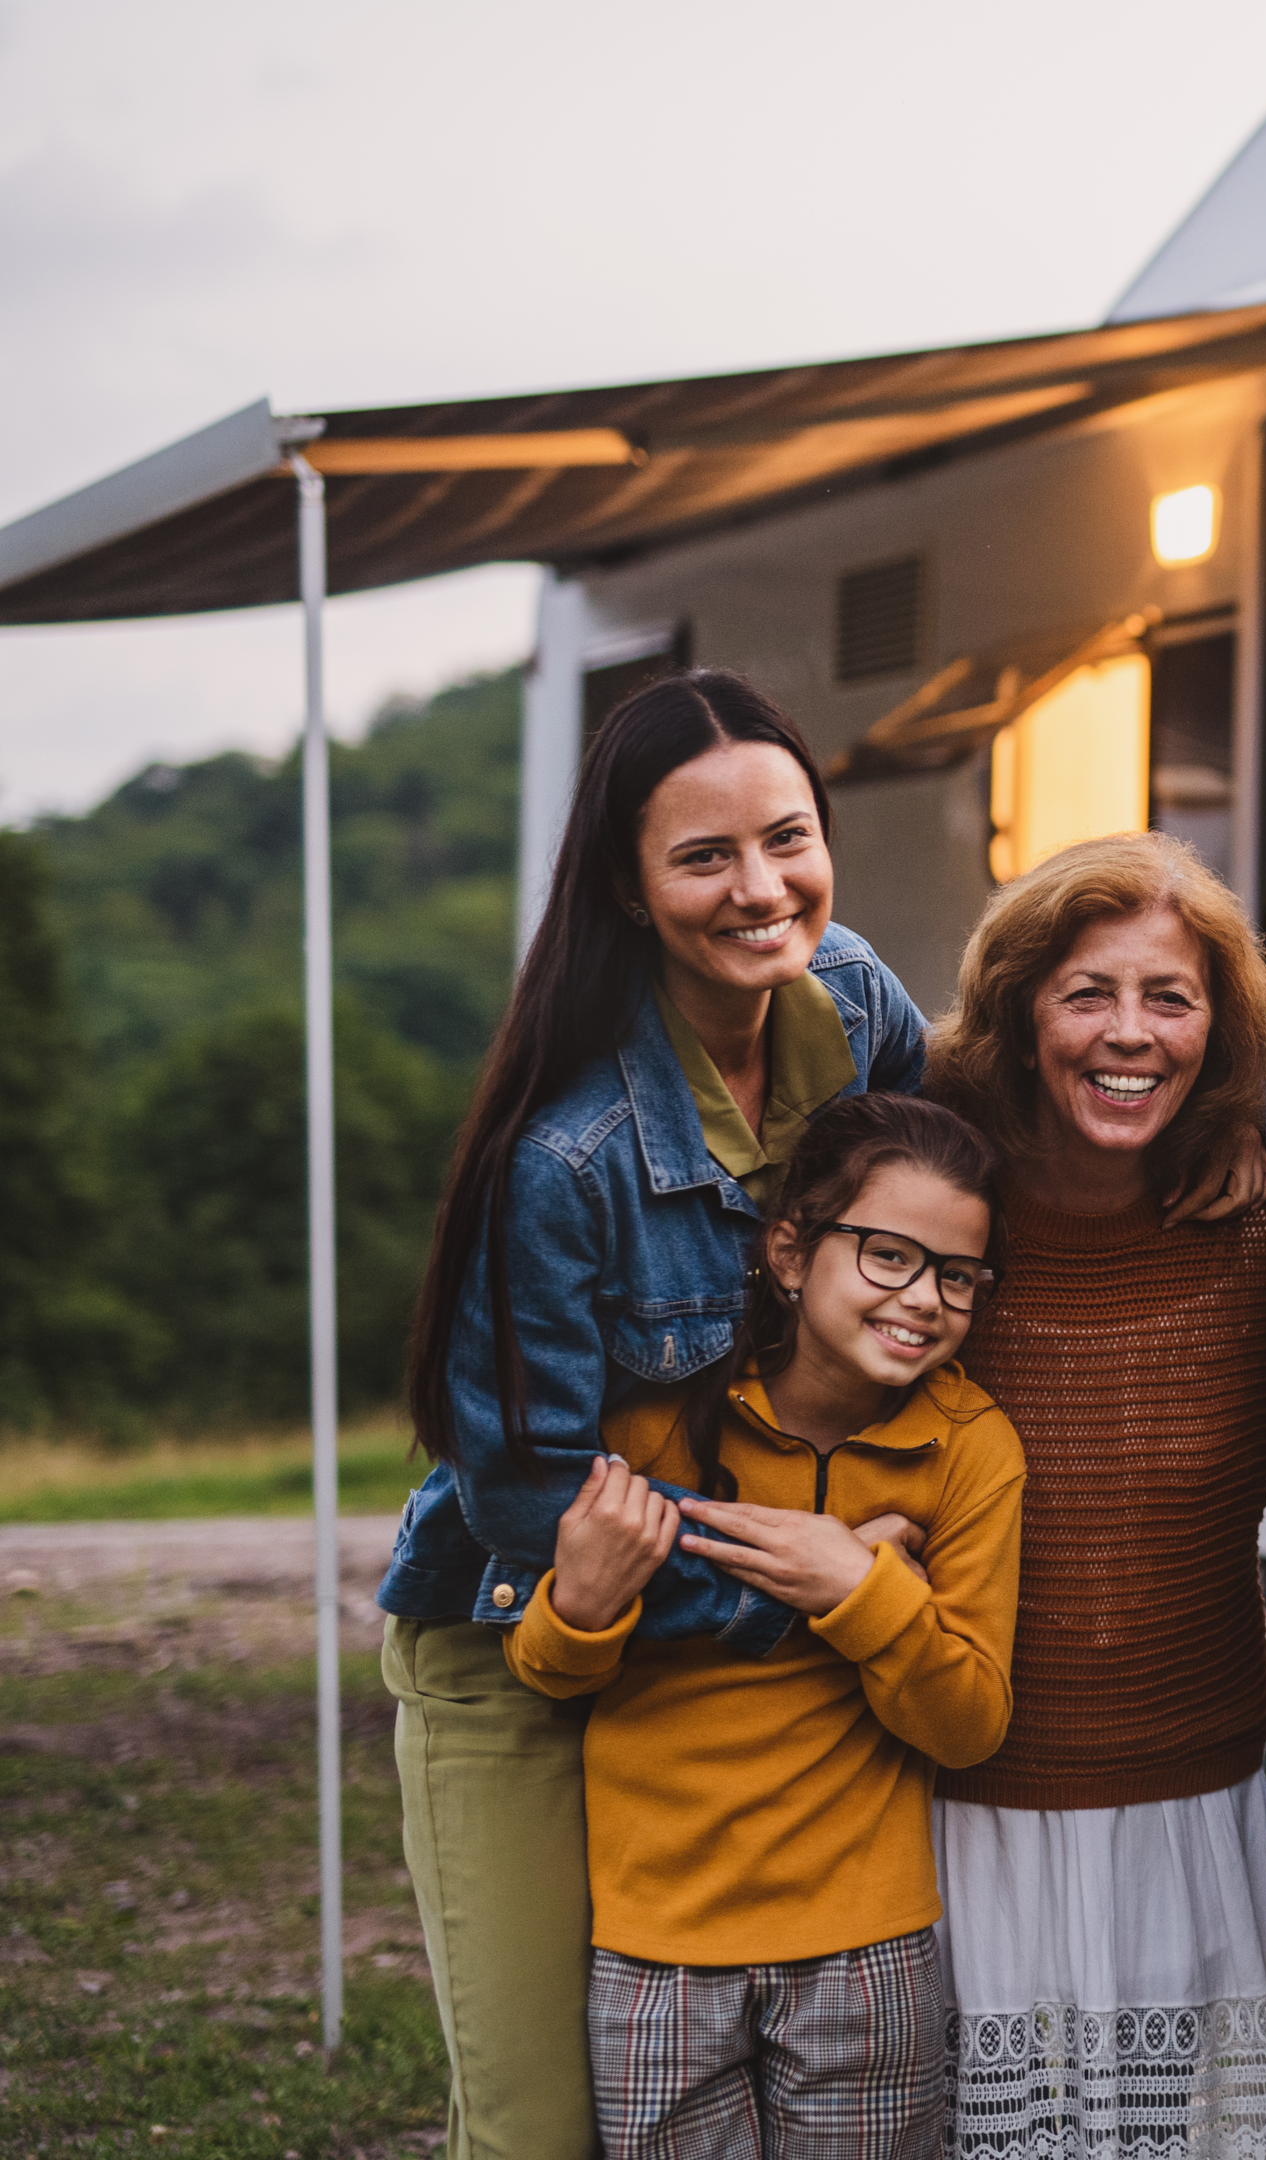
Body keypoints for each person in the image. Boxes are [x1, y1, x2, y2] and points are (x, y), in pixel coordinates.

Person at [382, 670, 928, 2159]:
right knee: (545, 2125)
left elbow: (971, 1193)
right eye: (703, 856)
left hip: (731, 1642)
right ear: (626, 888)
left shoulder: (861, 1006)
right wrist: (817, 1576)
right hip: (520, 1636)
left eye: (789, 836)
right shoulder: (570, 1155)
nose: (763, 888)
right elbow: (525, 1488)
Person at [500, 1092, 1025, 2159]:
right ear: (790, 1251)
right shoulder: (656, 1419)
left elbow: (968, 1723)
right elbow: (548, 1674)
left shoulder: (970, 1449)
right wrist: (585, 1607)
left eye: (957, 1274)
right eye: (887, 1255)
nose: (922, 1298)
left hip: (867, 1945)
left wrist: (856, 1588)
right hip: (654, 1942)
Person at [918, 831, 1266, 2159]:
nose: (1127, 1034)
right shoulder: (940, 1217)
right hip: (967, 1803)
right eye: (1088, 993)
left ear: (1220, 1026)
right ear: (1022, 1010)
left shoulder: (1265, 1216)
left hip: (1194, 1798)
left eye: (1171, 997)